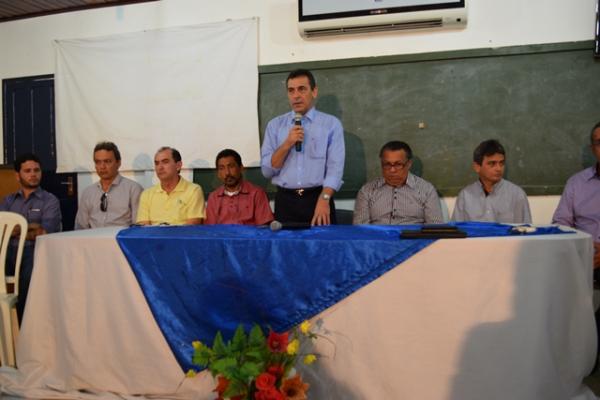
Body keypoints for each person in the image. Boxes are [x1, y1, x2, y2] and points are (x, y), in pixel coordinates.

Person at [261, 69, 345, 226]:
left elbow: (335, 168)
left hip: (318, 199)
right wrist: (287, 144)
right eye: (291, 90)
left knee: (323, 248)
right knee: (287, 249)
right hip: (286, 202)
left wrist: (324, 198)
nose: (296, 95)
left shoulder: (331, 124)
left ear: (314, 91)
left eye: (302, 89)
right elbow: (267, 171)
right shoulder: (275, 126)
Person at [0, 153, 61, 322]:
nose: (33, 174)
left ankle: (24, 325)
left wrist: (17, 228)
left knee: (29, 275)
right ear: (17, 175)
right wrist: (30, 226)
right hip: (7, 251)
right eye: (27, 171)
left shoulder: (50, 201)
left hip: (33, 251)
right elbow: (2, 230)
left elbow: (44, 232)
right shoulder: (8, 201)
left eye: (36, 170)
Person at [353, 141, 443, 225]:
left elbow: (435, 227)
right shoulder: (367, 191)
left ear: (409, 164)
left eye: (398, 164)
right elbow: (360, 228)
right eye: (387, 164)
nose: (392, 170)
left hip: (413, 240)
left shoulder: (426, 190)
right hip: (379, 240)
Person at [553, 122, 600, 270]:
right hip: (584, 260)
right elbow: (560, 224)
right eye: (599, 143)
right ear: (593, 149)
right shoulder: (576, 183)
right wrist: (582, 244)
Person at [452, 139, 531, 223]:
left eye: (501, 163)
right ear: (477, 167)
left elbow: (524, 232)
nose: (498, 168)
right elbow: (456, 232)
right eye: (492, 164)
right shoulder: (465, 196)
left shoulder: (517, 195)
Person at [75, 142, 143, 229]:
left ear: (118, 163)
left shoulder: (133, 189)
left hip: (120, 241)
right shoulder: (88, 193)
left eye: (107, 161)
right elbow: (80, 227)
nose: (102, 167)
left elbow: (138, 227)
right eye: (98, 162)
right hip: (92, 240)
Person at [136, 147, 205, 225]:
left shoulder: (193, 190)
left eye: (165, 162)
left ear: (178, 165)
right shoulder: (147, 194)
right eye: (157, 163)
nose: (160, 167)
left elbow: (192, 227)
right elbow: (143, 230)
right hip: (153, 237)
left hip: (182, 236)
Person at [206, 149, 273, 225]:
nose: (227, 173)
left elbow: (263, 228)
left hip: (249, 236)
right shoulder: (214, 197)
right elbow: (210, 230)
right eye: (222, 168)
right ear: (218, 173)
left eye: (231, 166)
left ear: (241, 168)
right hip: (222, 236)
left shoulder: (256, 194)